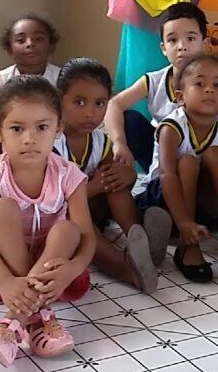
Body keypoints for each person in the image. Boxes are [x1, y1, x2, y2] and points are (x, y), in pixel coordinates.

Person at [0, 76, 93, 366]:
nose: (29, 138)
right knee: (1, 208)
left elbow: (87, 236)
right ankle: (39, 316)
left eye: (42, 127)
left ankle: (12, 325)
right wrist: (5, 282)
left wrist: (73, 269)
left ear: (58, 128)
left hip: (50, 268)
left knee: (68, 229)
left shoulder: (69, 175)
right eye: (17, 128)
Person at [53, 58, 171, 292]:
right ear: (59, 101)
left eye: (99, 104)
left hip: (93, 208)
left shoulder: (99, 141)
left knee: (115, 185)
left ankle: (141, 243)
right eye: (79, 102)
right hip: (60, 220)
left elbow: (116, 178)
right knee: (82, 228)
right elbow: (52, 201)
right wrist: (95, 187)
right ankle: (127, 270)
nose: (90, 113)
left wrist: (128, 176)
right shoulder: (52, 144)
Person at [134, 54, 218, 280]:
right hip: (164, 195)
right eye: (199, 84)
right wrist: (183, 222)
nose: (209, 90)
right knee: (188, 161)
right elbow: (167, 175)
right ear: (180, 97)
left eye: (217, 85)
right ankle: (185, 242)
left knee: (216, 155)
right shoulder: (172, 127)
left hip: (203, 203)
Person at [104, 2, 207, 172]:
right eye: (172, 40)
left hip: (198, 155)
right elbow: (114, 104)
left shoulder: (214, 80)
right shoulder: (154, 80)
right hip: (160, 153)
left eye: (190, 38)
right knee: (131, 120)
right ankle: (157, 177)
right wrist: (119, 142)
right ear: (163, 48)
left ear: (204, 43)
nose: (181, 46)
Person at [0, 14, 62, 159]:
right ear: (10, 49)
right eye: (21, 40)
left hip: (53, 154)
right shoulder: (0, 80)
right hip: (12, 154)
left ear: (51, 46)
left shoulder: (61, 78)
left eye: (38, 39)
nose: (30, 44)